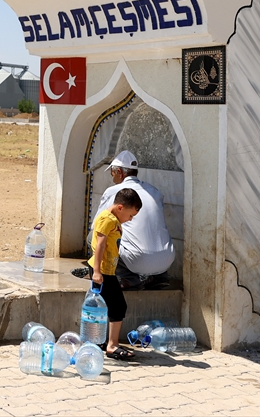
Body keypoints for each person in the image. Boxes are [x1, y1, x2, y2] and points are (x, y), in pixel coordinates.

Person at [94, 150, 175, 290]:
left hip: (137, 260)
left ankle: (128, 278)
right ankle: (159, 277)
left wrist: (95, 269)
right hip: (167, 260)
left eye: (112, 173)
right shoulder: (154, 191)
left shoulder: (114, 192)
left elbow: (97, 226)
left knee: (95, 235)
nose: (112, 177)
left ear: (119, 172)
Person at [89, 187, 142, 361]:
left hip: (106, 271)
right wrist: (97, 271)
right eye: (130, 215)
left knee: (109, 307)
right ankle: (112, 345)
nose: (130, 219)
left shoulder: (113, 220)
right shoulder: (108, 219)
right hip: (102, 272)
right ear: (120, 207)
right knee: (118, 306)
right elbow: (100, 246)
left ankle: (103, 341)